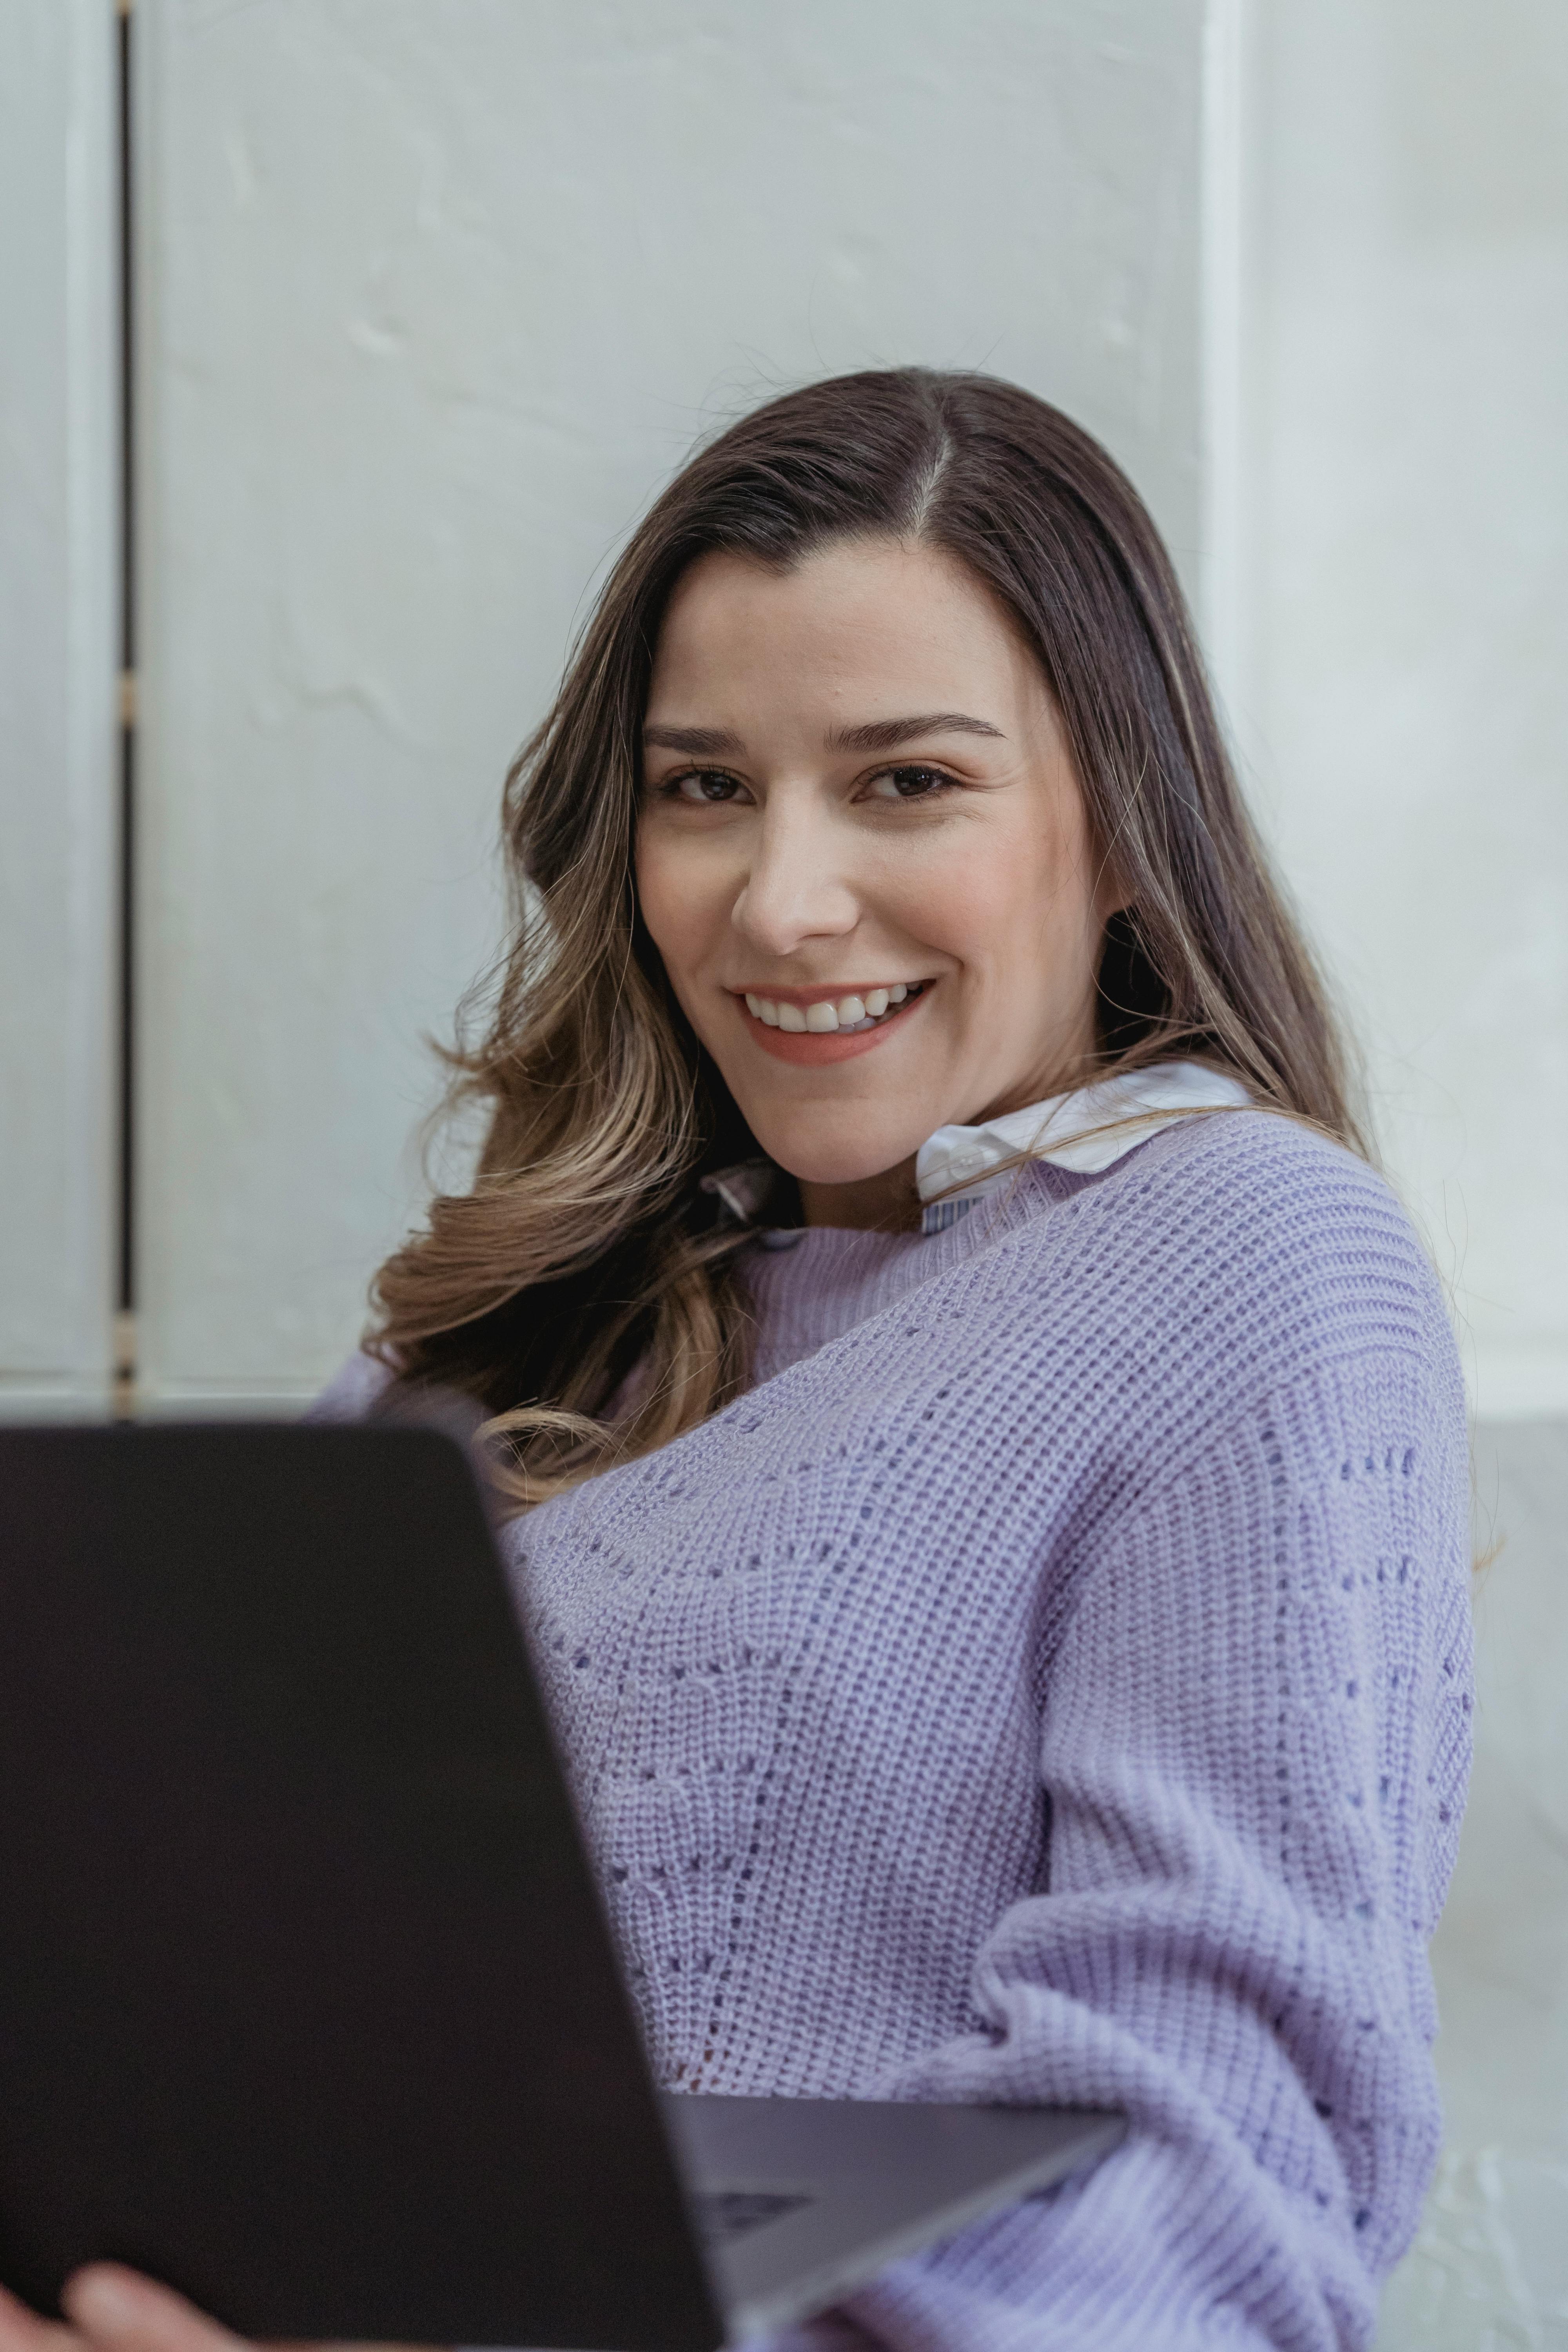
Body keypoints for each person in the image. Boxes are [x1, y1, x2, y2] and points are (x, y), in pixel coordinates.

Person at [2, 370, 1473, 2352]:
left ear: (1122, 827)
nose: (779, 904)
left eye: (906, 782)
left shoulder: (1239, 1257)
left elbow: (1217, 2177)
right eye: (705, 787)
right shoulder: (534, 1324)